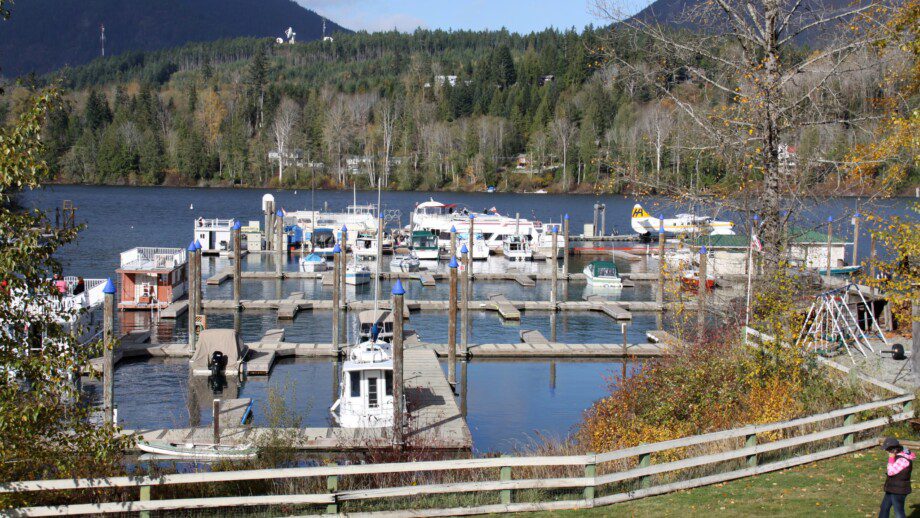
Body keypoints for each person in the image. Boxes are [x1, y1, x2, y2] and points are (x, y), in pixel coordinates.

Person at [880, 437, 914, 518]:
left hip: (899, 490)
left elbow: (890, 472)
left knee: (898, 512)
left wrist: (891, 459)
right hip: (892, 488)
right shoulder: (898, 455)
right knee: (884, 508)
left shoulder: (903, 460)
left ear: (893, 450)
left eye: (887, 450)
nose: (886, 452)